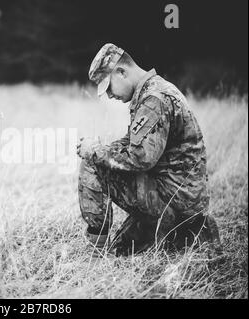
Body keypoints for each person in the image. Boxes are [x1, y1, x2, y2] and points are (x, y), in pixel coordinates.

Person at [76, 43, 222, 257]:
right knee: (123, 248)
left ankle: (95, 251)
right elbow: (134, 142)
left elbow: (141, 158)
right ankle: (187, 233)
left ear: (122, 72)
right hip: (180, 200)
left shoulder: (154, 99)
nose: (108, 95)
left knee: (92, 163)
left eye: (108, 87)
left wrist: (95, 151)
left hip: (173, 202)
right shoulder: (154, 90)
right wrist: (105, 148)